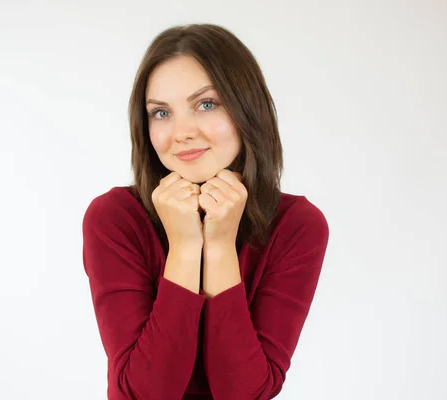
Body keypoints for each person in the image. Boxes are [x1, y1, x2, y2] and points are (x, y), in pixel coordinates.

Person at [82, 23, 329, 400]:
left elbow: (245, 393)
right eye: (161, 113)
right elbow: (144, 394)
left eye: (206, 104)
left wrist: (219, 247)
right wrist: (183, 248)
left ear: (247, 110)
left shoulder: (297, 226)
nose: (181, 132)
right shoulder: (114, 218)